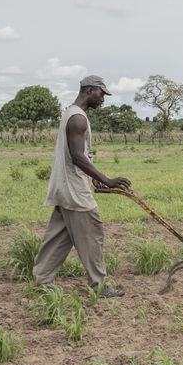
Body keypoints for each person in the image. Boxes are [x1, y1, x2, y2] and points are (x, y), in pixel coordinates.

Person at [33, 75, 130, 298]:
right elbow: (77, 157)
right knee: (92, 234)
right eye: (101, 93)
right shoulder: (78, 119)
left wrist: (93, 178)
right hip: (75, 190)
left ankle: (42, 279)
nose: (103, 99)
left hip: (64, 187)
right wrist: (107, 180)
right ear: (89, 90)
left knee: (60, 235)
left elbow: (79, 156)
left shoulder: (71, 113)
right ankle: (98, 285)